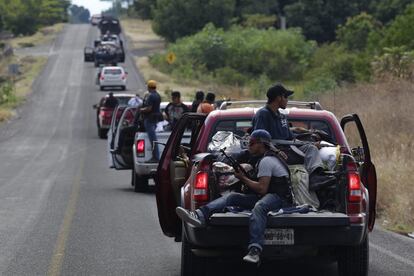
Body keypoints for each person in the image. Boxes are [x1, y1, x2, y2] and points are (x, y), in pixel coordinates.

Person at [176, 129, 293, 264]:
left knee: (259, 207)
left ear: (261, 144)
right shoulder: (262, 158)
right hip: (268, 195)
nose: (248, 146)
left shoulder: (267, 161)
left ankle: (255, 250)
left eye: (252, 143)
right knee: (232, 198)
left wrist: (242, 178)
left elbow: (262, 188)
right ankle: (199, 215)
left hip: (280, 198)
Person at [252, 83, 335, 189]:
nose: (287, 100)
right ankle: (314, 179)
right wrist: (275, 150)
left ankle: (315, 177)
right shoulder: (263, 114)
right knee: (311, 148)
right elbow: (259, 138)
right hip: (276, 153)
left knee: (311, 148)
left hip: (289, 148)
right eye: (285, 97)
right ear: (278, 98)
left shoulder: (282, 116)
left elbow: (291, 137)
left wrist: (310, 140)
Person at [139, 80, 162, 162]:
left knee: (153, 139)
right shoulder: (158, 95)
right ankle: (155, 156)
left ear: (149, 87)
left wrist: (141, 110)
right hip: (155, 119)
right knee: (153, 138)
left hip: (149, 119)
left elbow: (149, 108)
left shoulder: (151, 96)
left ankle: (155, 157)